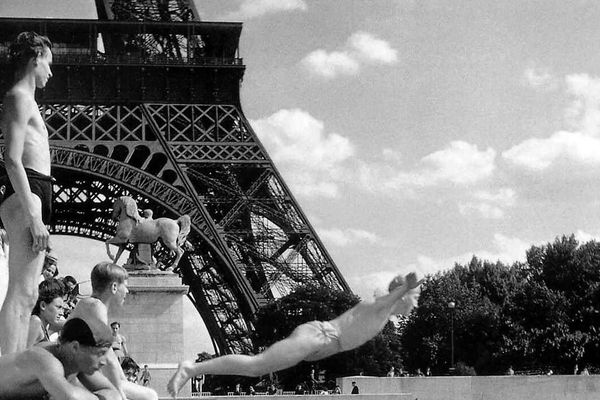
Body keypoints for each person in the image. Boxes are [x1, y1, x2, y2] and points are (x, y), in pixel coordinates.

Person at [168, 272, 423, 397]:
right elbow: (392, 297)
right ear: (402, 294)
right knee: (257, 366)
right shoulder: (381, 307)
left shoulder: (383, 314)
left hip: (320, 342)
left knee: (257, 366)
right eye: (415, 297)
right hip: (319, 336)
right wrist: (407, 286)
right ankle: (191, 369)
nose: (417, 302)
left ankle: (192, 369)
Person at [0, 31, 54, 355]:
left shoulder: (26, 99)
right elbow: (11, 157)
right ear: (36, 59)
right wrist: (33, 213)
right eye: (49, 62)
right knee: (21, 292)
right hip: (28, 191)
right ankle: (6, 371)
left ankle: (14, 366)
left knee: (30, 294)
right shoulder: (19, 96)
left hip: (35, 190)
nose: (52, 71)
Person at [70, 261, 158, 400]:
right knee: (149, 395)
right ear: (114, 287)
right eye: (126, 286)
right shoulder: (96, 308)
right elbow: (108, 360)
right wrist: (120, 392)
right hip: (76, 377)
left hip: (80, 374)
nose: (128, 291)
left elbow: (110, 355)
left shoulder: (90, 305)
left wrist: (122, 382)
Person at [0, 317, 120, 399]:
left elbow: (113, 393)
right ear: (75, 347)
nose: (104, 362)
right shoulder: (46, 360)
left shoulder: (77, 362)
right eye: (100, 354)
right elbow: (70, 397)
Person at [26, 278, 64, 346]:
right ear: (43, 305)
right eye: (58, 307)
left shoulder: (43, 326)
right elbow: (20, 353)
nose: (62, 313)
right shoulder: (35, 322)